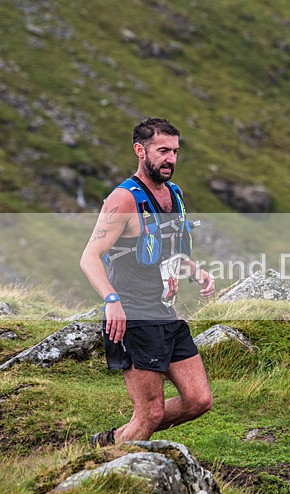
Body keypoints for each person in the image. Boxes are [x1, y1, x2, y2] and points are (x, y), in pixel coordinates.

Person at [80, 117, 215, 447]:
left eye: (175, 151)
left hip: (166, 314)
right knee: (150, 413)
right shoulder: (123, 200)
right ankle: (111, 465)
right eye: (162, 151)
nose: (171, 159)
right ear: (140, 151)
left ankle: (112, 442)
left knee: (199, 400)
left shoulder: (174, 195)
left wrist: (194, 271)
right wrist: (112, 301)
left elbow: (166, 252)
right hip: (135, 316)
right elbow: (89, 257)